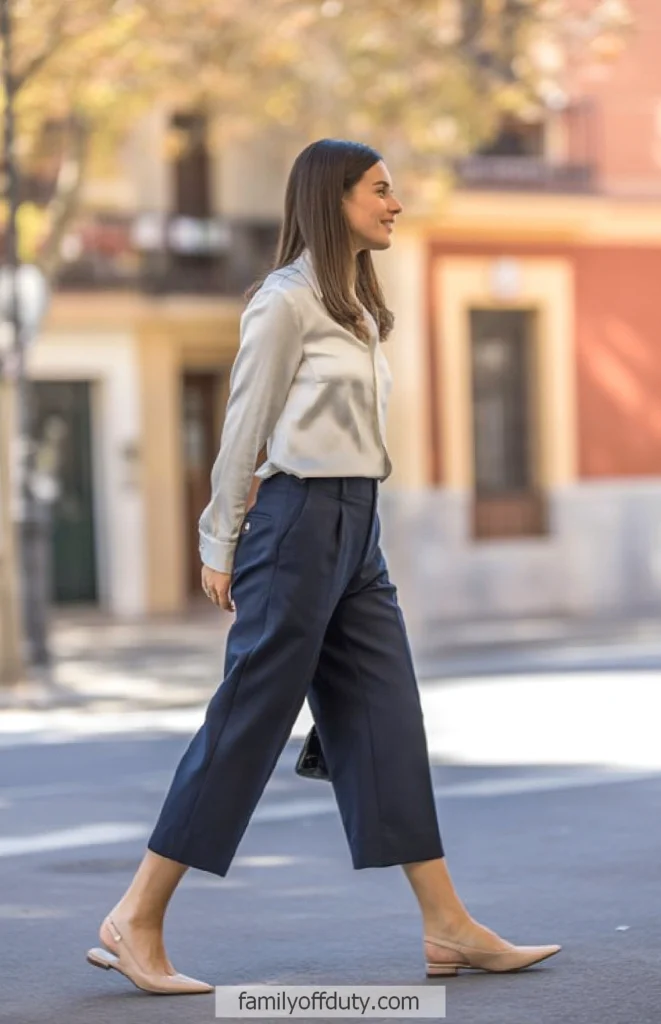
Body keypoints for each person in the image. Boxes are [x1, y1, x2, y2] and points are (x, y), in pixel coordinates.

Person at [86, 139, 561, 994]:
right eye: (380, 190)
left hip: (356, 527)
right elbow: (243, 428)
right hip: (293, 524)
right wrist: (217, 541)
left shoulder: (355, 311)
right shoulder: (284, 303)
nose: (395, 203)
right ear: (332, 199)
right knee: (249, 720)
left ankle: (447, 926)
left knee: (386, 714)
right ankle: (136, 918)